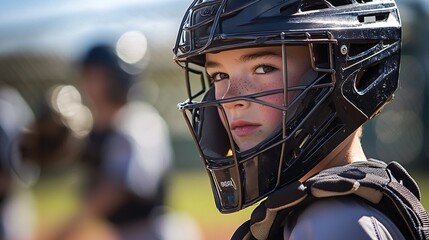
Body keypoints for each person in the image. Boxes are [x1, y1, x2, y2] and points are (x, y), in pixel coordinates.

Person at [172, 0, 429, 239]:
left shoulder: (333, 223)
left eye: (264, 68)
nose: (229, 99)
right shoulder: (332, 211)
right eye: (219, 76)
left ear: (350, 75)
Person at [53, 44, 173, 240]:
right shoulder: (98, 127)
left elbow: (117, 187)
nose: (89, 86)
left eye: (97, 78)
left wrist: (68, 229)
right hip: (123, 232)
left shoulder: (139, 120)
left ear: (119, 80)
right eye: (87, 78)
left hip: (150, 231)